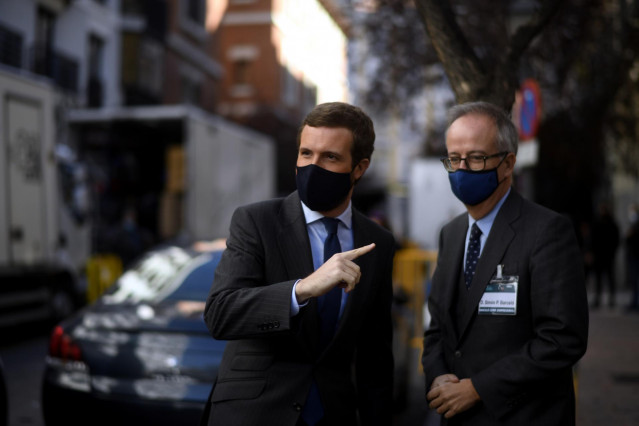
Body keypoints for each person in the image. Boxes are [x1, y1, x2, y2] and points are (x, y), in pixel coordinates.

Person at [202, 102, 395, 426]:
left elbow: (375, 356)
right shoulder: (256, 221)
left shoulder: (378, 242)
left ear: (359, 168)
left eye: (330, 157)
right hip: (253, 414)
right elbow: (220, 314)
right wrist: (301, 290)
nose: (312, 166)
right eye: (306, 154)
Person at [422, 101, 589, 425]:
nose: (462, 169)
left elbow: (562, 339)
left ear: (508, 163)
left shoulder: (547, 231)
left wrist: (479, 389)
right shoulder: (452, 234)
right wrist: (438, 376)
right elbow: (438, 329)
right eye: (454, 159)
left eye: (476, 157)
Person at [591, 202, 620, 308]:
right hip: (599, 255)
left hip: (608, 255)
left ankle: (611, 299)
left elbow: (616, 239)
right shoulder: (597, 223)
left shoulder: (611, 223)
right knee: (598, 279)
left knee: (610, 278)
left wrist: (612, 251)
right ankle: (598, 298)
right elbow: (593, 239)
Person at [625, 203, 639, 311]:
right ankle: (634, 302)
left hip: (636, 256)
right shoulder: (633, 226)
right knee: (634, 282)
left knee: (636, 281)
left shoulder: (636, 226)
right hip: (633, 256)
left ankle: (636, 303)